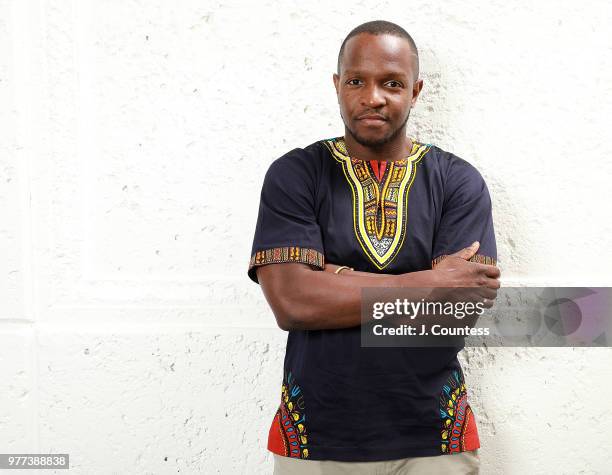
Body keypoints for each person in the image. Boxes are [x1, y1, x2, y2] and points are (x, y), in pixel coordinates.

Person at [247, 20, 501, 475]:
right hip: (316, 436)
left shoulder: (457, 181)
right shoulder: (296, 174)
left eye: (392, 83)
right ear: (337, 85)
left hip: (433, 437)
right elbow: (293, 303)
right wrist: (428, 281)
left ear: (416, 90)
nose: (373, 97)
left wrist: (333, 279)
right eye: (357, 81)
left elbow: (457, 308)